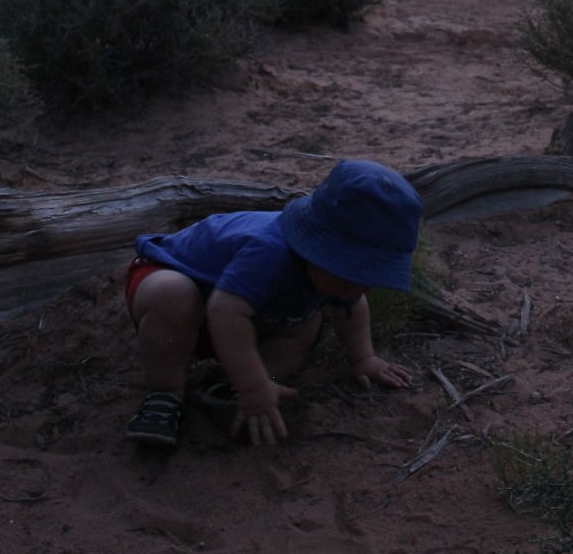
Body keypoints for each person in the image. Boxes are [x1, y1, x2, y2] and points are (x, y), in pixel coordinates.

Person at [124, 158, 423, 449]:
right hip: (177, 285)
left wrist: (363, 358)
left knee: (306, 325)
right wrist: (253, 389)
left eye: (367, 278)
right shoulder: (269, 251)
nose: (356, 288)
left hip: (242, 311)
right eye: (349, 275)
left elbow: (352, 305)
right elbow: (224, 311)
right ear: (316, 247)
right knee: (174, 295)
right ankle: (165, 393)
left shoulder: (338, 276)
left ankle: (229, 385)